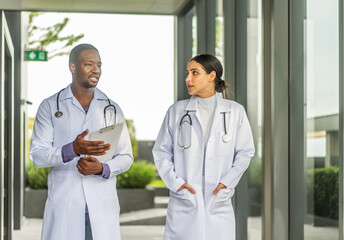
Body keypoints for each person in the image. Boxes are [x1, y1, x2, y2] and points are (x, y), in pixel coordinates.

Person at [30, 43, 133, 240]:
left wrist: (102, 169)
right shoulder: (50, 106)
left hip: (101, 207)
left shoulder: (112, 108)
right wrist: (71, 149)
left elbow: (126, 156)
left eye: (99, 65)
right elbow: (37, 155)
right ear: (73, 67)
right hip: (66, 206)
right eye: (89, 64)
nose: (96, 70)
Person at [152, 54, 255, 240]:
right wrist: (176, 184)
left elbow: (245, 152)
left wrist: (227, 183)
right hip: (185, 200)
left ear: (211, 75)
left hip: (218, 201)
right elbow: (161, 152)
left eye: (194, 73)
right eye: (187, 73)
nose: (188, 79)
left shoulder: (234, 111)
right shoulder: (176, 111)